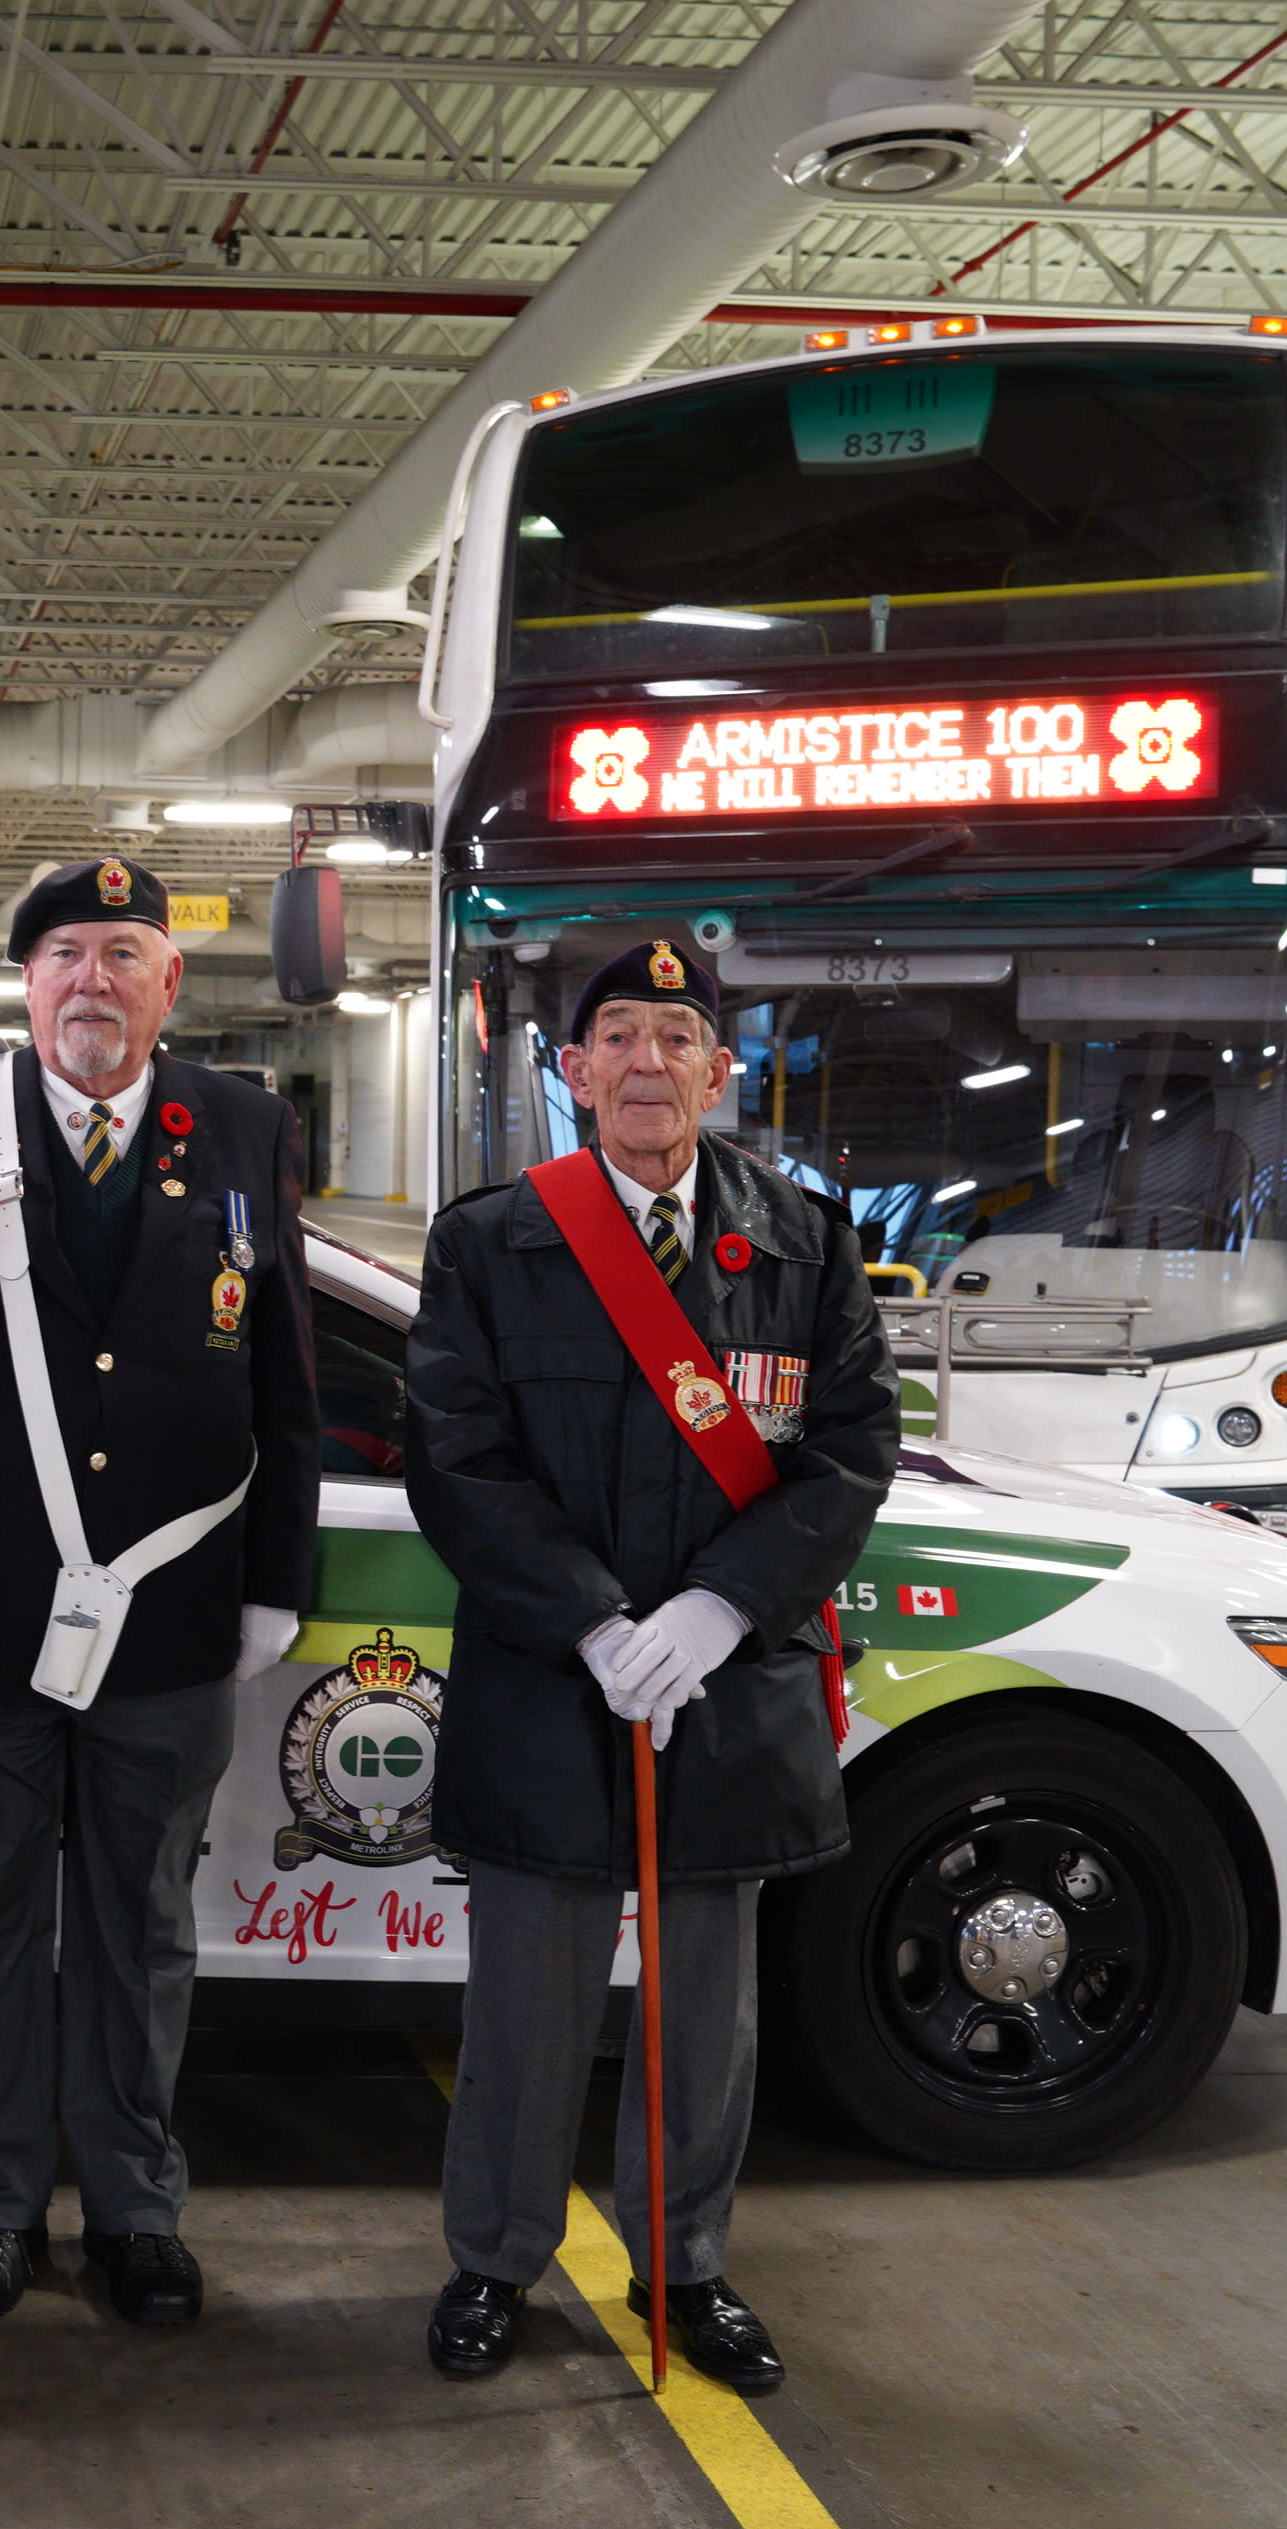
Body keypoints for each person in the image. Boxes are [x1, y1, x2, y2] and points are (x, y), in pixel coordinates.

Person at [0, 857, 320, 2329]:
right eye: (63, 958)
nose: (91, 980)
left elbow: (283, 1374)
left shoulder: (242, 1125)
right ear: (22, 986)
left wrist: (273, 1576)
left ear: (170, 981)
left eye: (122, 953)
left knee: (142, 1927)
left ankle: (132, 2211)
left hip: (167, 1623)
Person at [400, 937, 900, 2395]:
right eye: (614, 1035)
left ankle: (684, 2265)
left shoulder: (804, 1237)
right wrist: (595, 1621)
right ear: (569, 1071)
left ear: (718, 1072)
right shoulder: (489, 1241)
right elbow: (456, 1454)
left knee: (704, 2015)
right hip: (554, 1681)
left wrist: (718, 1614)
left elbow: (853, 1449)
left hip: (726, 1686)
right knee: (526, 2011)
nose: (642, 1061)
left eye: (674, 1037)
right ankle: (494, 2260)